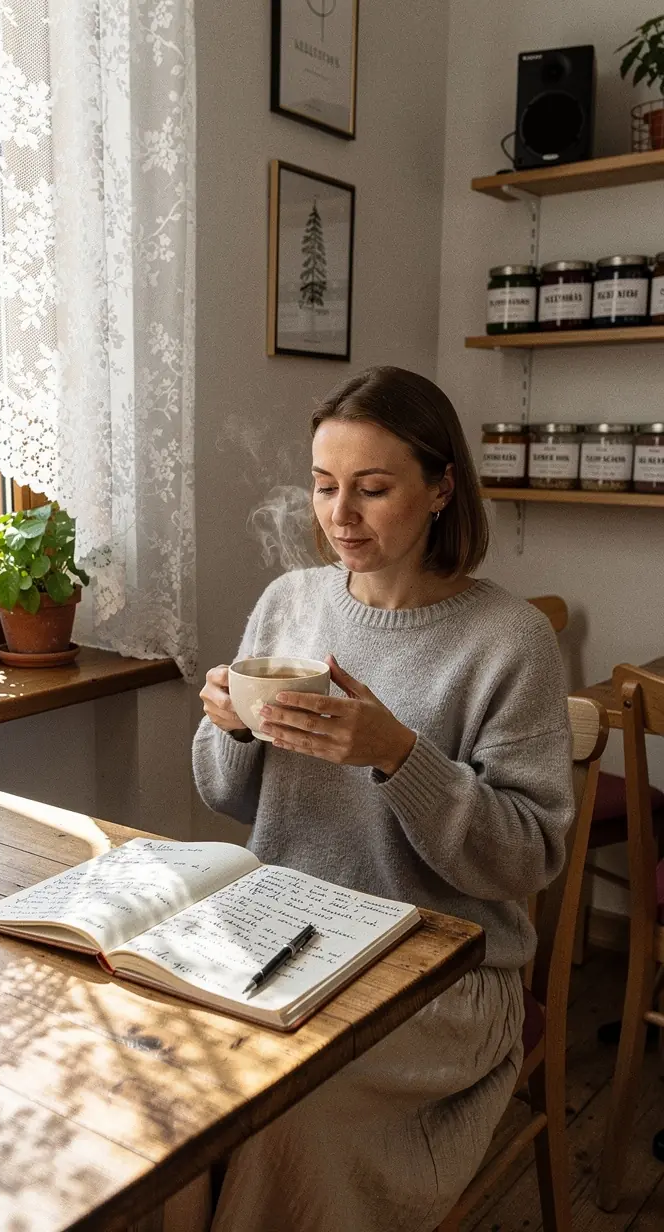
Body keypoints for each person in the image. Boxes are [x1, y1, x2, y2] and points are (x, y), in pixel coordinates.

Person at [191, 366, 573, 1232]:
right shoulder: (288, 604)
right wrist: (232, 726)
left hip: (445, 976)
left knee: (284, 1117)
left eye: (372, 489)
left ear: (442, 489)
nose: (340, 516)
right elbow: (221, 795)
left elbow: (528, 854)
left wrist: (401, 754)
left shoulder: (509, 640)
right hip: (288, 940)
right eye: (325, 487)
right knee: (180, 1082)